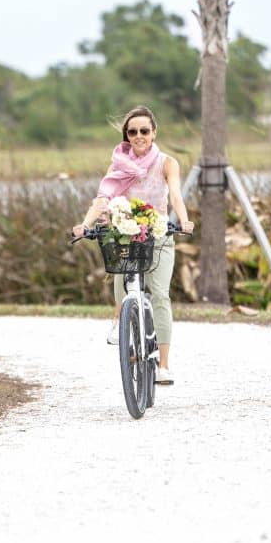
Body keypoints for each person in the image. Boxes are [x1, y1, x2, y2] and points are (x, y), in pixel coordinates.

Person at [72, 105, 194, 386]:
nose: (138, 136)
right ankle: (120, 318)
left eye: (144, 131)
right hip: (126, 233)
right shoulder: (118, 164)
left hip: (159, 234)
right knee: (119, 268)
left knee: (161, 295)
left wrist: (184, 220)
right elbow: (104, 197)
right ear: (126, 136)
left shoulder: (167, 162)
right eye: (132, 132)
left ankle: (163, 365)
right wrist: (86, 224)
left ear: (154, 133)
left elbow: (175, 194)